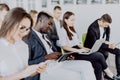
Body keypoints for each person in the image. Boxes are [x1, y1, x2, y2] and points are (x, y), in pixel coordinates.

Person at [24, 11, 96, 80]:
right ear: (40, 20)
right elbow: (26, 64)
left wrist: (64, 57)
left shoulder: (46, 37)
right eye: (49, 24)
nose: (51, 27)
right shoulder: (28, 38)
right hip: (44, 69)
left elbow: (55, 52)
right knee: (76, 76)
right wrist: (46, 57)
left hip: (57, 63)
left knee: (87, 65)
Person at [58, 11, 120, 80]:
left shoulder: (72, 29)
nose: (73, 22)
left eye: (74, 20)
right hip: (73, 53)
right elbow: (64, 46)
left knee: (98, 64)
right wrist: (78, 50)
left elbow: (78, 44)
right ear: (65, 20)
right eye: (72, 20)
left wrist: (85, 49)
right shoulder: (62, 30)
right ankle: (110, 74)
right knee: (99, 55)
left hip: (79, 51)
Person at [0, 7, 46, 80]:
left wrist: (36, 69)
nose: (25, 33)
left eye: (27, 29)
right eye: (22, 27)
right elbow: (21, 74)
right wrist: (19, 75)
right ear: (10, 23)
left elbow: (24, 71)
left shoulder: (23, 46)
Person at [84, 13, 120, 78]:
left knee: (118, 52)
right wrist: (108, 46)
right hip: (92, 47)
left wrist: (108, 42)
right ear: (101, 21)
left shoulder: (106, 25)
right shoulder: (92, 28)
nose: (107, 26)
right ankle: (105, 72)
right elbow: (95, 45)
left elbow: (107, 34)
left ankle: (119, 74)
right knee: (105, 54)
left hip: (102, 44)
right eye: (106, 25)